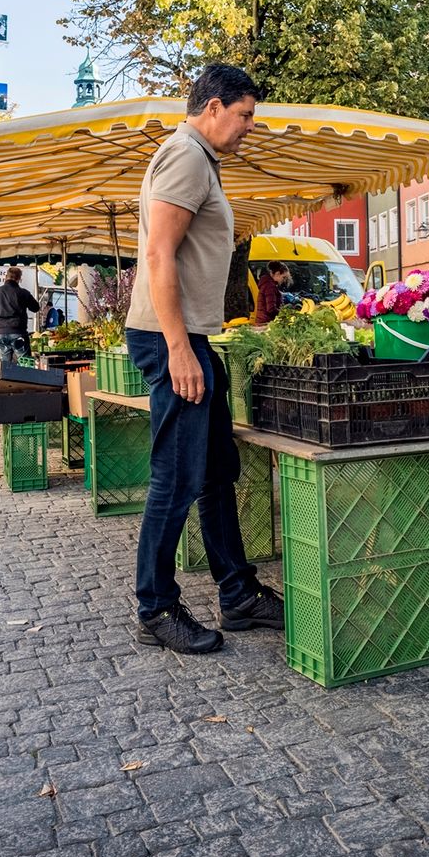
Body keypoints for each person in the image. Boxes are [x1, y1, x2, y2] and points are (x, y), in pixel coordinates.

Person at [124, 64, 282, 655]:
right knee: (178, 475)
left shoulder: (199, 158)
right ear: (213, 107)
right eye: (244, 116)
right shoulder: (186, 155)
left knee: (216, 470)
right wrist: (178, 348)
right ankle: (155, 607)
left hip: (192, 338)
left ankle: (238, 593)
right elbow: (159, 257)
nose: (248, 128)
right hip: (173, 337)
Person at [0, 266, 40, 366]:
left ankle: (6, 381)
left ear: (6, 277)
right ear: (19, 279)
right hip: (18, 333)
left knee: (5, 366)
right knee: (25, 364)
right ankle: (26, 381)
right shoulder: (23, 293)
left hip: (1, 334)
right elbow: (35, 308)